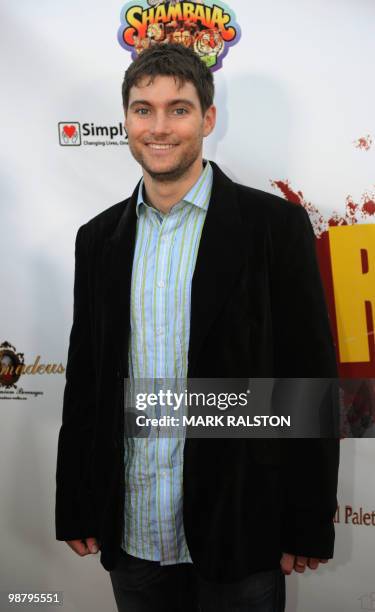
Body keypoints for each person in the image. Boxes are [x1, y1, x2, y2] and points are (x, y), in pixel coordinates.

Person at [55, 43, 340, 611]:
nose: (159, 127)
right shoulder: (98, 237)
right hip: (133, 529)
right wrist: (77, 503)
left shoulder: (274, 227)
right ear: (127, 120)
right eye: (144, 109)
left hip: (240, 529)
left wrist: (306, 520)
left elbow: (308, 379)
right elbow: (86, 381)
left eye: (178, 109)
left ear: (208, 119)